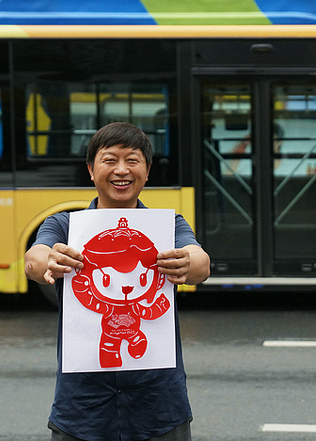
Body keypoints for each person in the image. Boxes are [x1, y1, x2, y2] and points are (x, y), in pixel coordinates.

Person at [24, 122, 210, 441]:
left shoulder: (168, 227)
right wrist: (48, 260)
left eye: (132, 160)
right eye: (109, 160)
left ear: (147, 171)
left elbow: (200, 262)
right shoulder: (65, 226)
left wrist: (188, 263)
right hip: (83, 407)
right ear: (91, 170)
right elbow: (34, 257)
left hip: (158, 405)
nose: (121, 170)